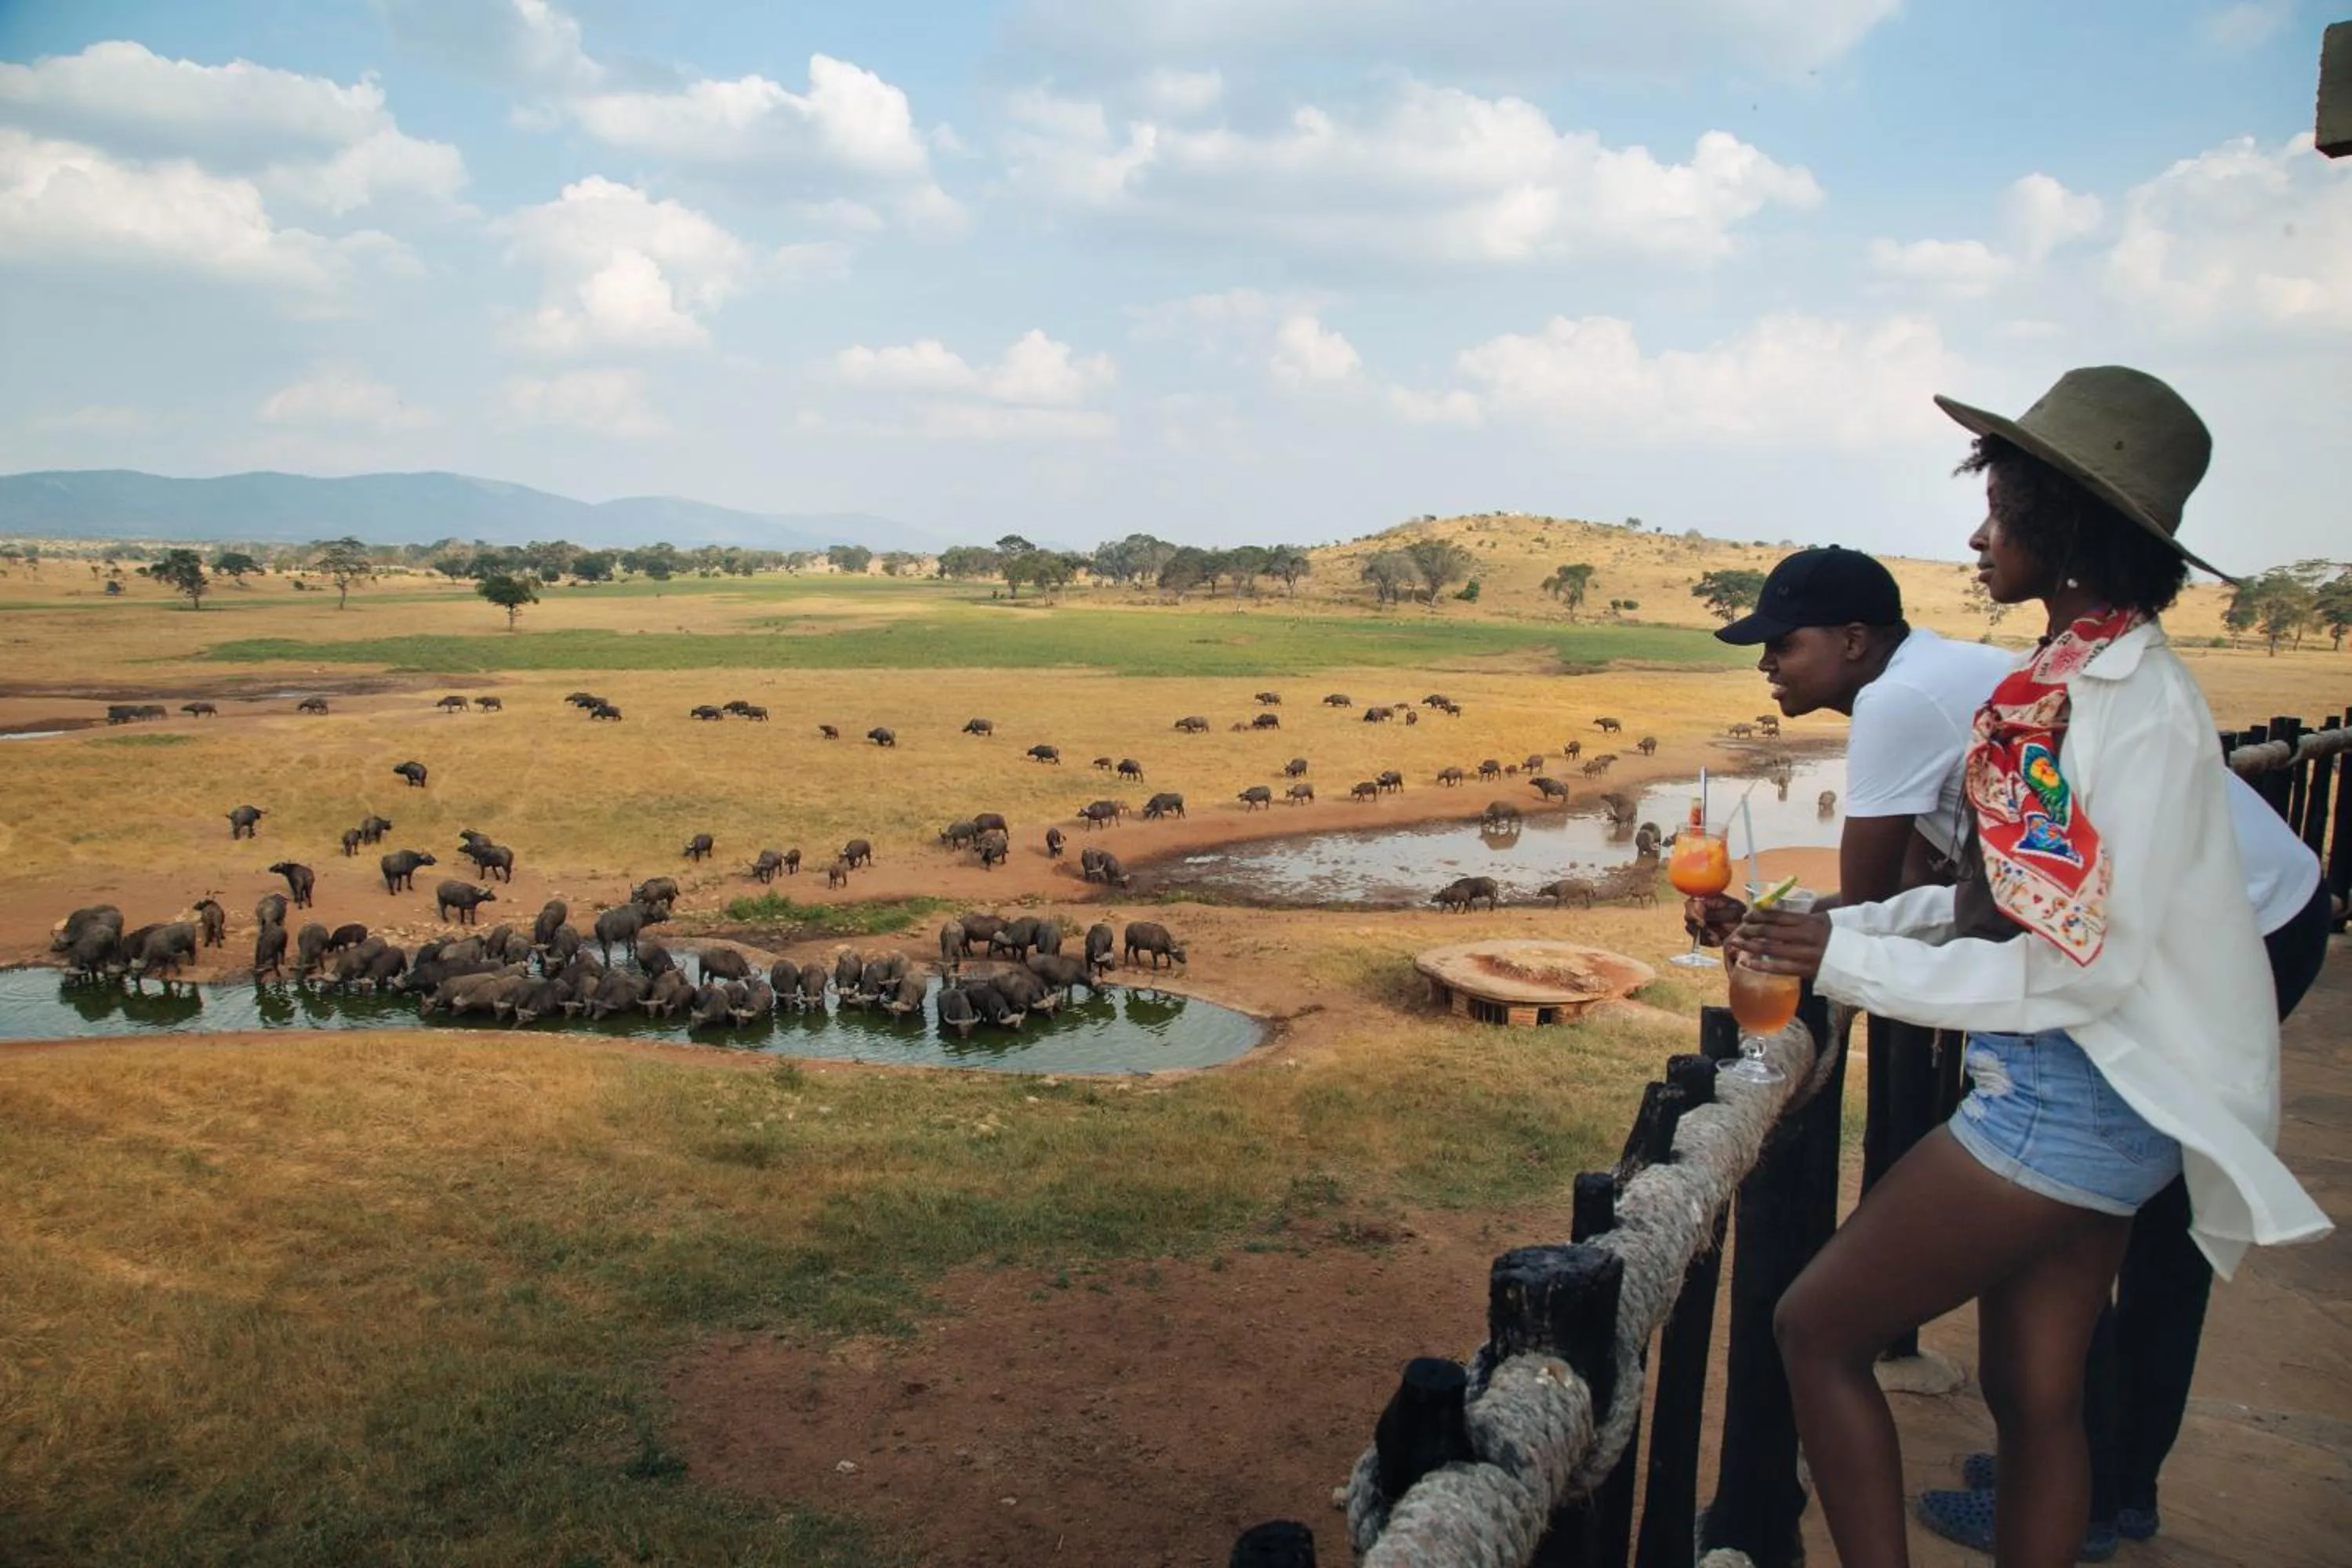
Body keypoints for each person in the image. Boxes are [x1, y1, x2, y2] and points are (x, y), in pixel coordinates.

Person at [1726, 366, 2332, 1568]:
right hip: (2092, 1082)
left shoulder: (2130, 709)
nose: (1976, 530)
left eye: (1997, 505)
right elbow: (2004, 901)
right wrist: (1863, 933)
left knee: (1815, 1330)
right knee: (2034, 1392)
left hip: (2076, 1092)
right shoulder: (2073, 679)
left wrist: (1844, 961)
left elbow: (2074, 970)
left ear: (2062, 526)